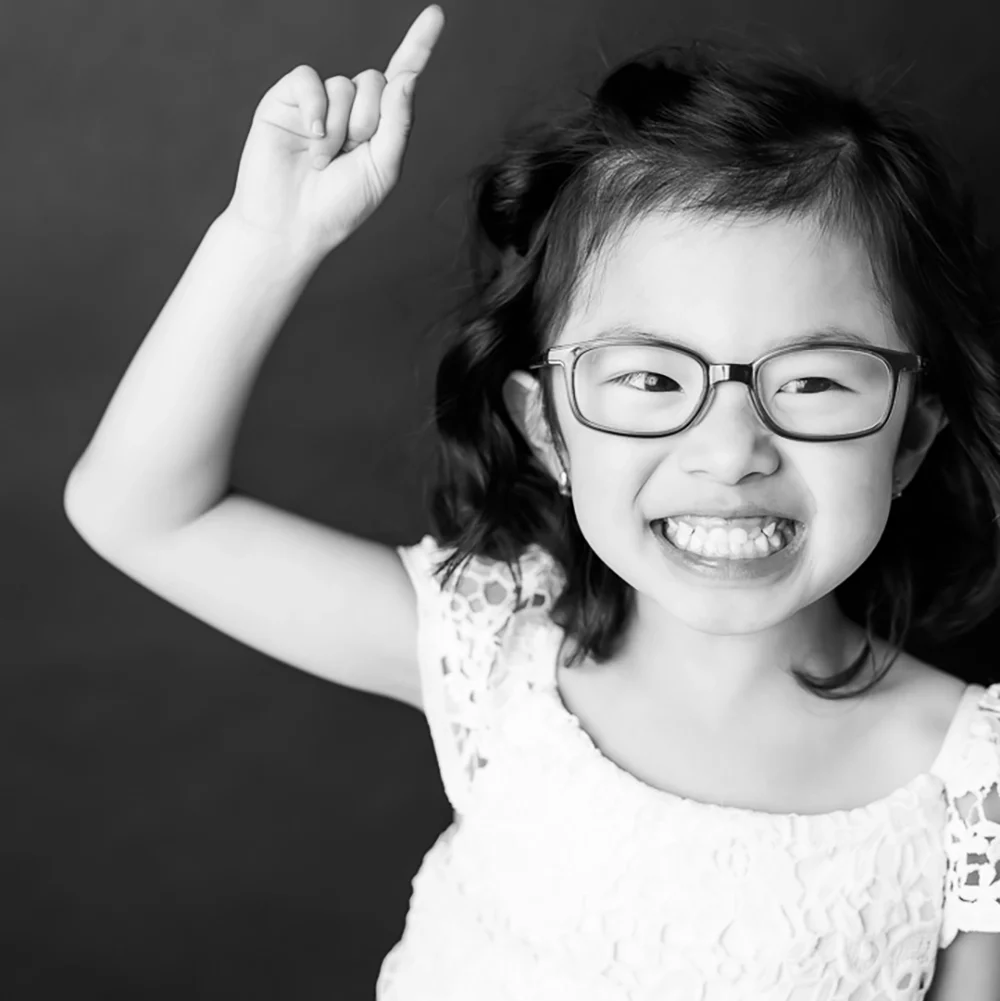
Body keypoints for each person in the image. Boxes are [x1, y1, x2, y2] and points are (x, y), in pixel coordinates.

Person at [62, 4, 1000, 997]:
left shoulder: (974, 782)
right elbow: (138, 510)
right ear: (547, 425)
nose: (730, 453)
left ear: (911, 433)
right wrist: (267, 237)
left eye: (811, 380)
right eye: (648, 380)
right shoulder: (497, 648)